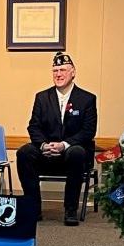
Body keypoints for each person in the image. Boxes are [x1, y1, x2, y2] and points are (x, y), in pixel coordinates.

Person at [16, 52, 97, 226]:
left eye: (62, 70)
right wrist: (43, 145)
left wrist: (64, 145)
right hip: (47, 152)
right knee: (24, 152)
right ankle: (33, 208)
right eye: (55, 71)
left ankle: (70, 210)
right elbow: (34, 126)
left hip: (72, 154)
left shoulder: (87, 99)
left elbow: (88, 131)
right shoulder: (42, 97)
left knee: (76, 152)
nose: (58, 74)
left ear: (73, 72)